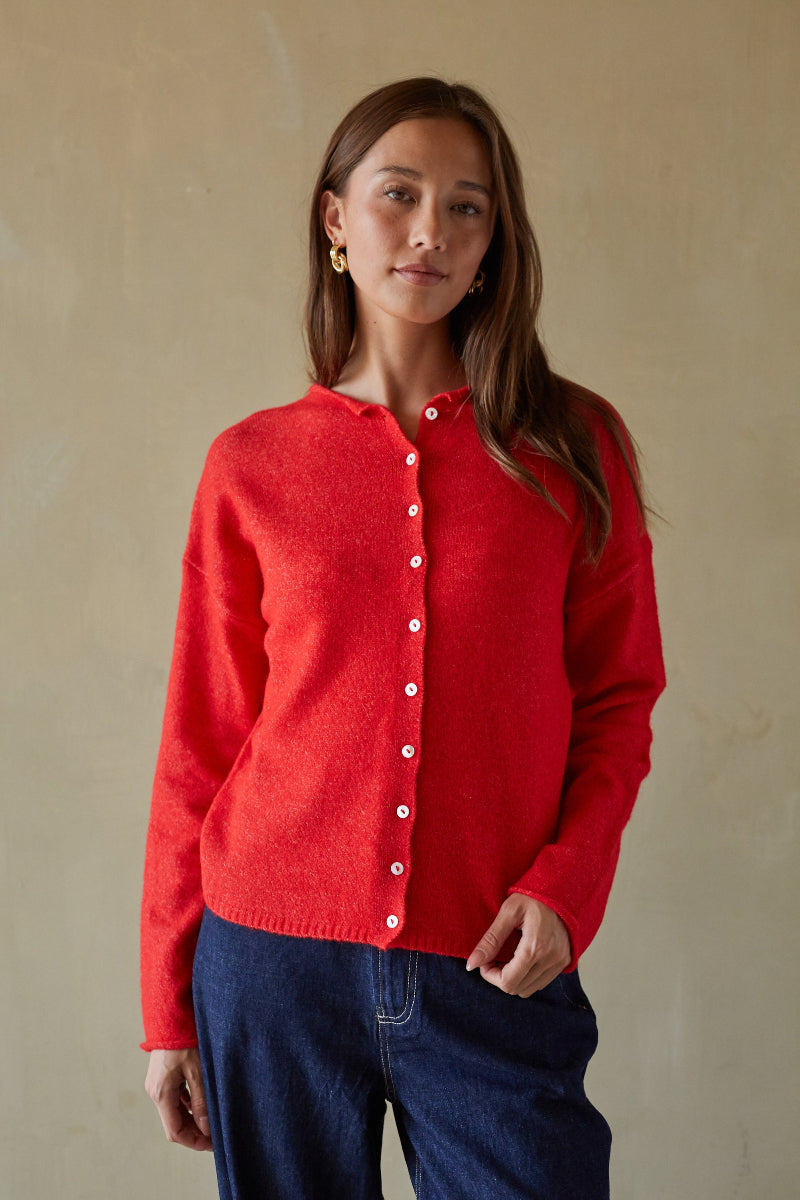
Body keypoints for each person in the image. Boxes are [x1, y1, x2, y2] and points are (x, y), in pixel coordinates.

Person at [140, 75, 666, 1199]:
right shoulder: (250, 466)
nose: (431, 230)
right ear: (336, 221)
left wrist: (566, 889)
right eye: (399, 194)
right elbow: (202, 744)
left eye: (467, 207)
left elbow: (619, 701)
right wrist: (164, 1004)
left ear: (493, 242)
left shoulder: (571, 449)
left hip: (493, 966)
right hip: (268, 967)